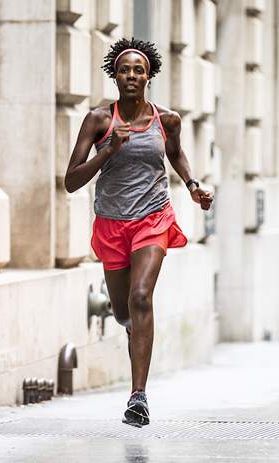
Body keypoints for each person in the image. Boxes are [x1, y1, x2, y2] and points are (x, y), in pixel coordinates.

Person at [64, 38, 214, 427]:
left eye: (139, 70)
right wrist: (107, 151)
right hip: (112, 223)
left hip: (153, 217)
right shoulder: (98, 121)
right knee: (122, 312)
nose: (132, 75)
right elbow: (71, 181)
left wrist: (193, 183)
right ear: (115, 75)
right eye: (125, 69)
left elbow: (175, 152)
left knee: (142, 296)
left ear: (149, 76)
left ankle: (138, 397)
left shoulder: (167, 120)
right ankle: (134, 333)